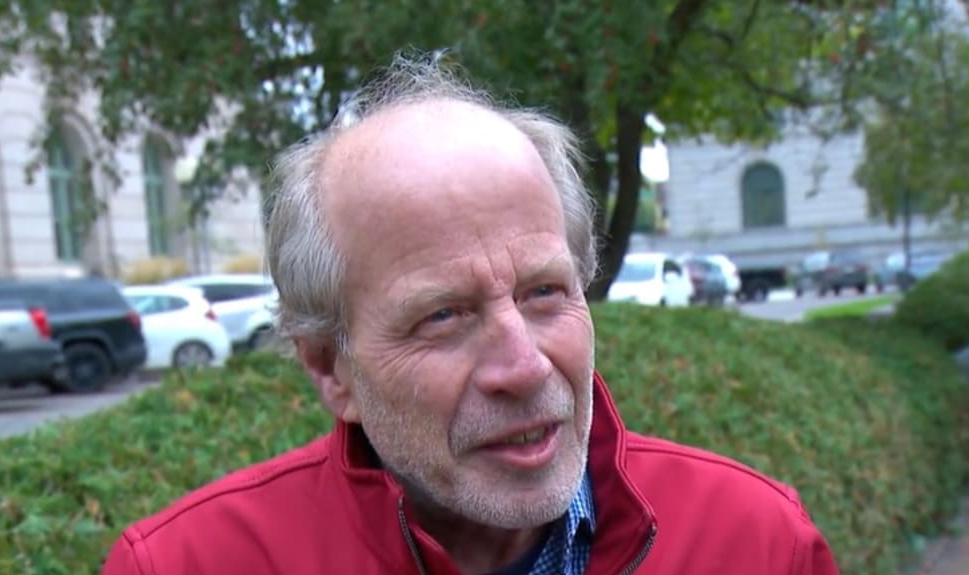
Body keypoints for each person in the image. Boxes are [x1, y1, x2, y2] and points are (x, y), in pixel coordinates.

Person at [100, 53, 840, 575]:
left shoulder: (758, 539)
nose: (523, 365)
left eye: (544, 292)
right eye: (444, 315)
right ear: (332, 367)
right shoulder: (183, 564)